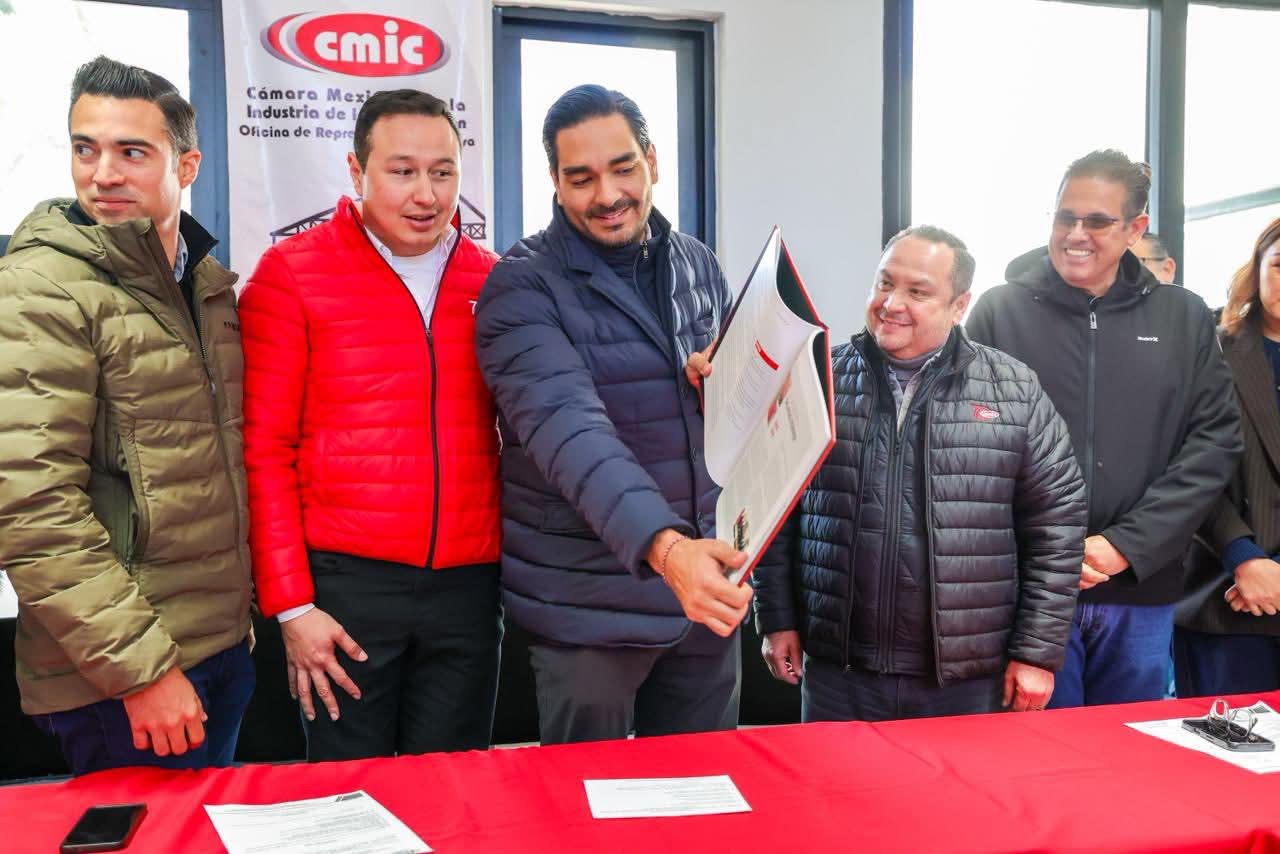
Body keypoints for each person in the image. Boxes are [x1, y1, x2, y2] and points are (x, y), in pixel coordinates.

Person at [475, 84, 751, 745]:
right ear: (554, 182)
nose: (607, 195)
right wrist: (668, 551)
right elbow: (571, 434)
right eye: (581, 178)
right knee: (584, 799)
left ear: (652, 161)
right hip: (589, 615)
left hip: (703, 598)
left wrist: (721, 388)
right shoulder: (520, 285)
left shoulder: (696, 264)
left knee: (701, 793)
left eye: (623, 168)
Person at [0, 56, 253, 774]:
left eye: (131, 152)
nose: (102, 174)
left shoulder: (202, 285)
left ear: (187, 165)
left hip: (217, 651)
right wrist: (140, 673)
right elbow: (31, 507)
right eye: (86, 149)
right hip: (126, 681)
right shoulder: (41, 289)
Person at [239, 90, 502, 760]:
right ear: (357, 172)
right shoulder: (292, 273)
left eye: (442, 172)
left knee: (454, 791)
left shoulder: (494, 280)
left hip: (468, 590)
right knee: (351, 796)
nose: (426, 194)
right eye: (402, 171)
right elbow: (263, 450)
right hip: (345, 590)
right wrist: (293, 608)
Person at [744, 226, 1085, 721]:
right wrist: (776, 619)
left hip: (967, 679)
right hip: (840, 674)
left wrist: (1036, 653)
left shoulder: (1014, 391)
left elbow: (1057, 526)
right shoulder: (818, 380)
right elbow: (774, 514)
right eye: (884, 283)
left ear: (959, 305)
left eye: (917, 292)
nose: (891, 303)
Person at [967, 149, 1242, 707]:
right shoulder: (999, 311)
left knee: (1129, 749)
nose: (1076, 234)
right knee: (1034, 751)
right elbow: (969, 447)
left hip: (1140, 588)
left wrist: (1126, 545)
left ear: (1135, 229)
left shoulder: (1183, 317)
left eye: (1096, 221)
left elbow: (1213, 444)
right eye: (1064, 217)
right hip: (1029, 592)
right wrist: (1052, 551)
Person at [1175, 217, 1280, 696]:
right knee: (1227, 740)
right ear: (1256, 269)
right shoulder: (1210, 349)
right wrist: (1245, 557)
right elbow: (1184, 465)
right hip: (1226, 593)